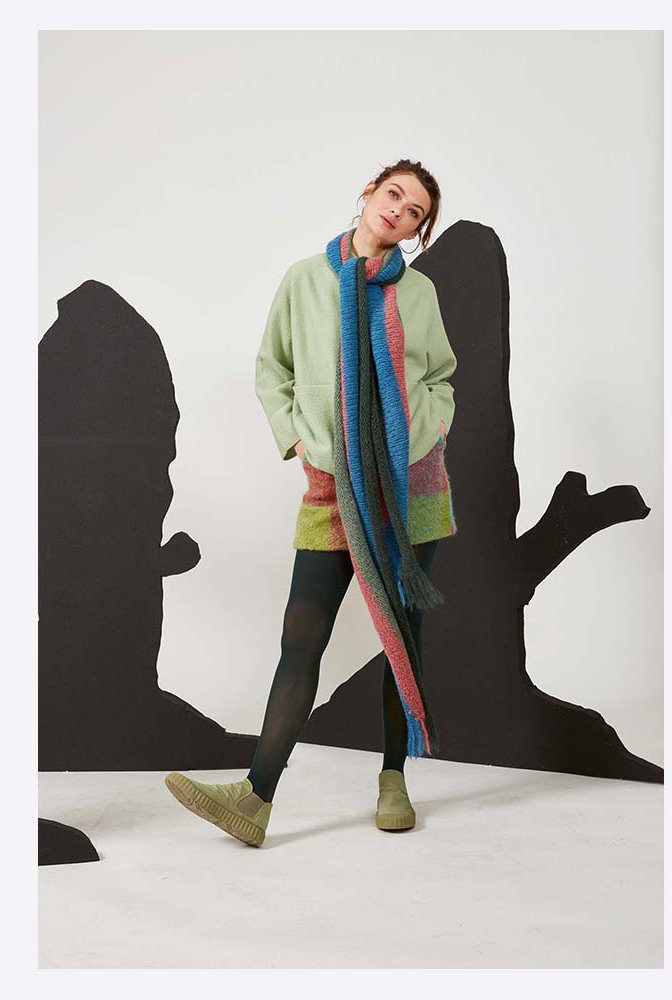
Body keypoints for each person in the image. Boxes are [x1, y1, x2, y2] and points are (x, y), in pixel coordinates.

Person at [165, 159, 458, 847]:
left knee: (401, 638)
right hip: (333, 486)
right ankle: (255, 797)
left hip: (411, 486)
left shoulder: (419, 293)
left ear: (416, 231)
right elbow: (273, 367)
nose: (398, 210)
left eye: (414, 211)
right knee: (301, 636)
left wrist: (429, 427)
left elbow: (441, 376)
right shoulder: (304, 279)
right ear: (369, 192)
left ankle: (394, 779)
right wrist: (297, 436)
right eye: (394, 194)